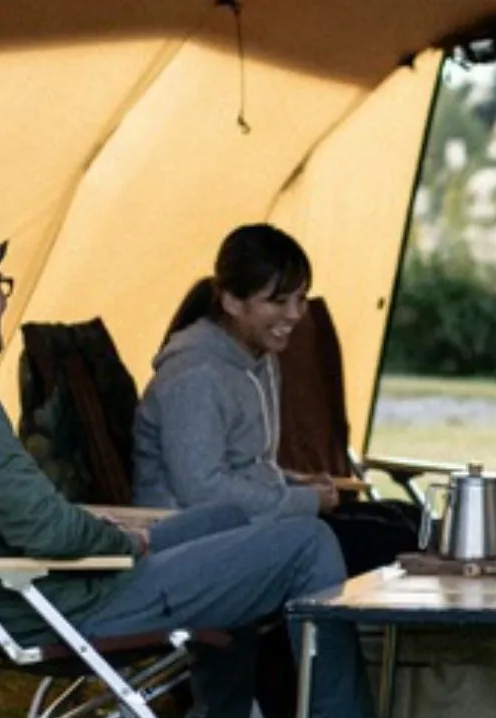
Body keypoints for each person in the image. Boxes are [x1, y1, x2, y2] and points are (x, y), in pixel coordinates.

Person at [0, 210, 453, 718]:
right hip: (70, 601)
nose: (1, 302)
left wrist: (102, 528)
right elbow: (43, 527)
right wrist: (124, 541)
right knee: (309, 544)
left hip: (42, 587)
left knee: (227, 521)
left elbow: (31, 519)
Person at [133, 224, 417, 575]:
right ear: (232, 302)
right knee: (391, 540)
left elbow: (244, 464)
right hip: (197, 543)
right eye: (278, 301)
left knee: (408, 518)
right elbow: (202, 489)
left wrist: (295, 482)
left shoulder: (260, 360)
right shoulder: (194, 376)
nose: (296, 314)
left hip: (250, 524)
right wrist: (302, 501)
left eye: (300, 298)